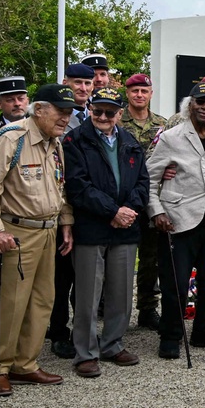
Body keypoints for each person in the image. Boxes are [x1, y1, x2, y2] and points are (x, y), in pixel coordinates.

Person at [0, 83, 77, 397]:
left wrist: (65, 222)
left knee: (42, 301)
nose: (65, 118)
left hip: (47, 231)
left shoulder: (54, 142)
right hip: (14, 234)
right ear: (40, 108)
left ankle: (25, 364)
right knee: (11, 303)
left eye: (69, 112)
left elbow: (60, 186)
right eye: (60, 111)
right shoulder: (12, 138)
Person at [147, 83, 205, 359]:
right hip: (178, 220)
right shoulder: (171, 138)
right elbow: (150, 179)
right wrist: (157, 212)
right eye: (200, 102)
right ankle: (171, 335)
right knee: (176, 282)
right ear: (190, 104)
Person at [63, 88, 149, 378]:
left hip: (126, 227)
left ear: (119, 114)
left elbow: (143, 183)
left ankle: (112, 343)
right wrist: (112, 211)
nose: (102, 116)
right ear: (89, 109)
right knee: (88, 293)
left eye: (109, 112)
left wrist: (127, 211)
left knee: (122, 293)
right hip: (92, 227)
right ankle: (85, 352)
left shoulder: (130, 141)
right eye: (97, 110)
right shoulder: (75, 140)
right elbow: (77, 186)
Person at [47, 62, 96, 359]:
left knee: (87, 279)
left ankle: (84, 331)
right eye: (76, 82)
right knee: (60, 278)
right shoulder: (55, 113)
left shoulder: (100, 113)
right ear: (66, 82)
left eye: (87, 83)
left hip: (90, 212)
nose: (82, 88)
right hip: (62, 208)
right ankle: (58, 331)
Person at [119, 73, 167, 330]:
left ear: (151, 93)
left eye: (144, 91)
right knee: (117, 259)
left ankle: (148, 308)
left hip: (150, 201)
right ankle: (113, 309)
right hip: (122, 200)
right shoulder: (117, 120)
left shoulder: (162, 124)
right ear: (128, 93)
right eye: (135, 90)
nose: (139, 95)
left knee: (151, 259)